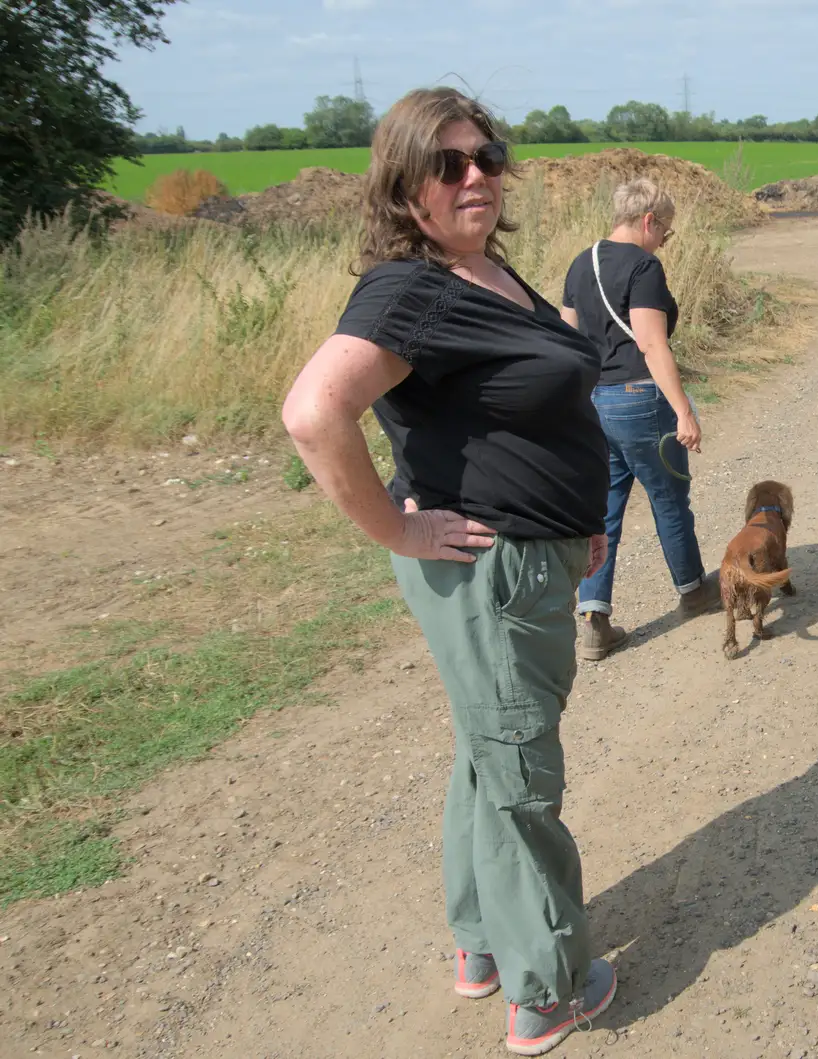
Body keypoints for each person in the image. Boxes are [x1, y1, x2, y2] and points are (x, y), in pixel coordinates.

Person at [280, 87, 615, 1056]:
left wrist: (580, 519)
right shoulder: (410, 289)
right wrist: (399, 532)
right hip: (490, 573)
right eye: (450, 163)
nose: (478, 176)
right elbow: (313, 414)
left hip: (535, 551)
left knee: (487, 748)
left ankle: (478, 942)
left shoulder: (484, 272)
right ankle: (547, 987)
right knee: (519, 771)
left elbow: (532, 411)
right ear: (404, 186)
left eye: (488, 155)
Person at [560, 177, 716, 661]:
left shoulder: (579, 262)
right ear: (649, 221)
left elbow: (567, 339)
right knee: (669, 499)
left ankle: (593, 619)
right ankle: (693, 591)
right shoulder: (645, 266)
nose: (665, 240)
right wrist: (684, 410)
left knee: (603, 509)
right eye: (665, 231)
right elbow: (651, 343)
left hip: (593, 401)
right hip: (640, 399)